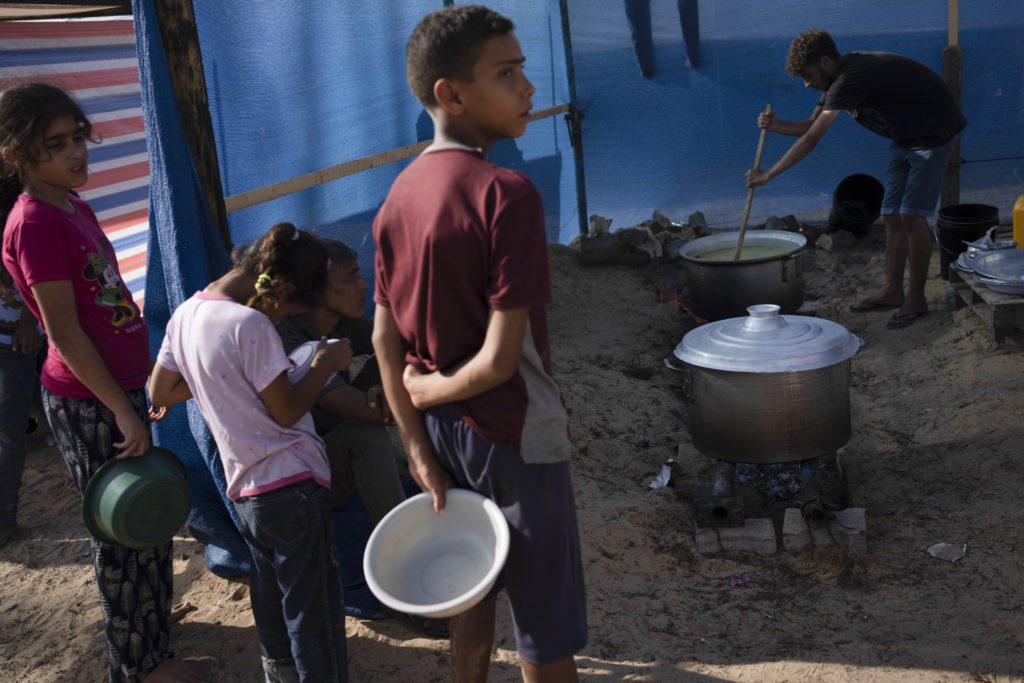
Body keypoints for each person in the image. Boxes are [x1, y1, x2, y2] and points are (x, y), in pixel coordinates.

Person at [372, 6, 587, 681]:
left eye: (523, 69)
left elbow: (383, 338)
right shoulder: (508, 194)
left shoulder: (397, 198)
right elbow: (499, 359)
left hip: (441, 437)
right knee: (545, 631)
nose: (528, 86)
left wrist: (416, 445)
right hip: (515, 431)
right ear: (450, 93)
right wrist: (433, 384)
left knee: (472, 580)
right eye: (507, 72)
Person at [0, 82, 199, 683]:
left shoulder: (71, 203)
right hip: (90, 400)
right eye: (55, 145)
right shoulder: (34, 223)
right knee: (122, 530)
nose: (76, 153)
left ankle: (151, 628)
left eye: (77, 138)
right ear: (18, 157)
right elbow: (62, 333)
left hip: (116, 392)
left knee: (149, 518)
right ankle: (136, 666)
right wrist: (122, 411)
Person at [148, 223, 350, 682]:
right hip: (292, 481)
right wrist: (324, 362)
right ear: (279, 288)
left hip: (246, 488)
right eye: (292, 308)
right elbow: (286, 412)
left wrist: (218, 386)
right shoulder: (251, 324)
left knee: (269, 589)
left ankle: (277, 673)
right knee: (311, 608)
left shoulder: (185, 315)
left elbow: (159, 389)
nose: (283, 319)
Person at [745, 29, 967, 330]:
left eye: (808, 75)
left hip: (932, 136)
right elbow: (810, 124)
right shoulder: (837, 81)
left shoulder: (853, 76)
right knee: (890, 215)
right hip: (904, 139)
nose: (807, 83)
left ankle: (916, 298)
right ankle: (892, 291)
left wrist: (768, 174)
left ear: (825, 61)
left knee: (911, 216)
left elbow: (812, 138)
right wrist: (777, 126)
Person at [274, 238, 405, 520]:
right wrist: (433, 392)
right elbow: (361, 410)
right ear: (316, 290)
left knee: (396, 356)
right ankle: (405, 540)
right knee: (368, 435)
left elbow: (402, 341)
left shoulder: (341, 321)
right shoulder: (288, 340)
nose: (364, 284)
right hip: (303, 485)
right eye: (351, 276)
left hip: (332, 442)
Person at [0, 277, 42, 548]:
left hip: (13, 339)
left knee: (7, 431)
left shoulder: (12, 233)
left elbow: (34, 273)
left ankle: (4, 518)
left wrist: (28, 322)